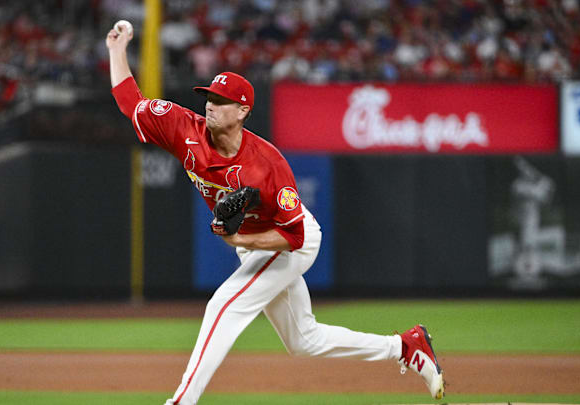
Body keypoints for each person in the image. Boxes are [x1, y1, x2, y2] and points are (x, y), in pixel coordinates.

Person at [106, 22, 445, 405]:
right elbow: (130, 102)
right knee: (304, 340)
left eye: (220, 99)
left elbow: (294, 237)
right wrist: (117, 50)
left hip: (290, 242)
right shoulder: (182, 127)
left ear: (243, 110)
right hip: (257, 245)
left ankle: (181, 401)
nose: (210, 104)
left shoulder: (267, 165)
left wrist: (239, 239)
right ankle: (404, 346)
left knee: (224, 304)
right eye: (208, 96)